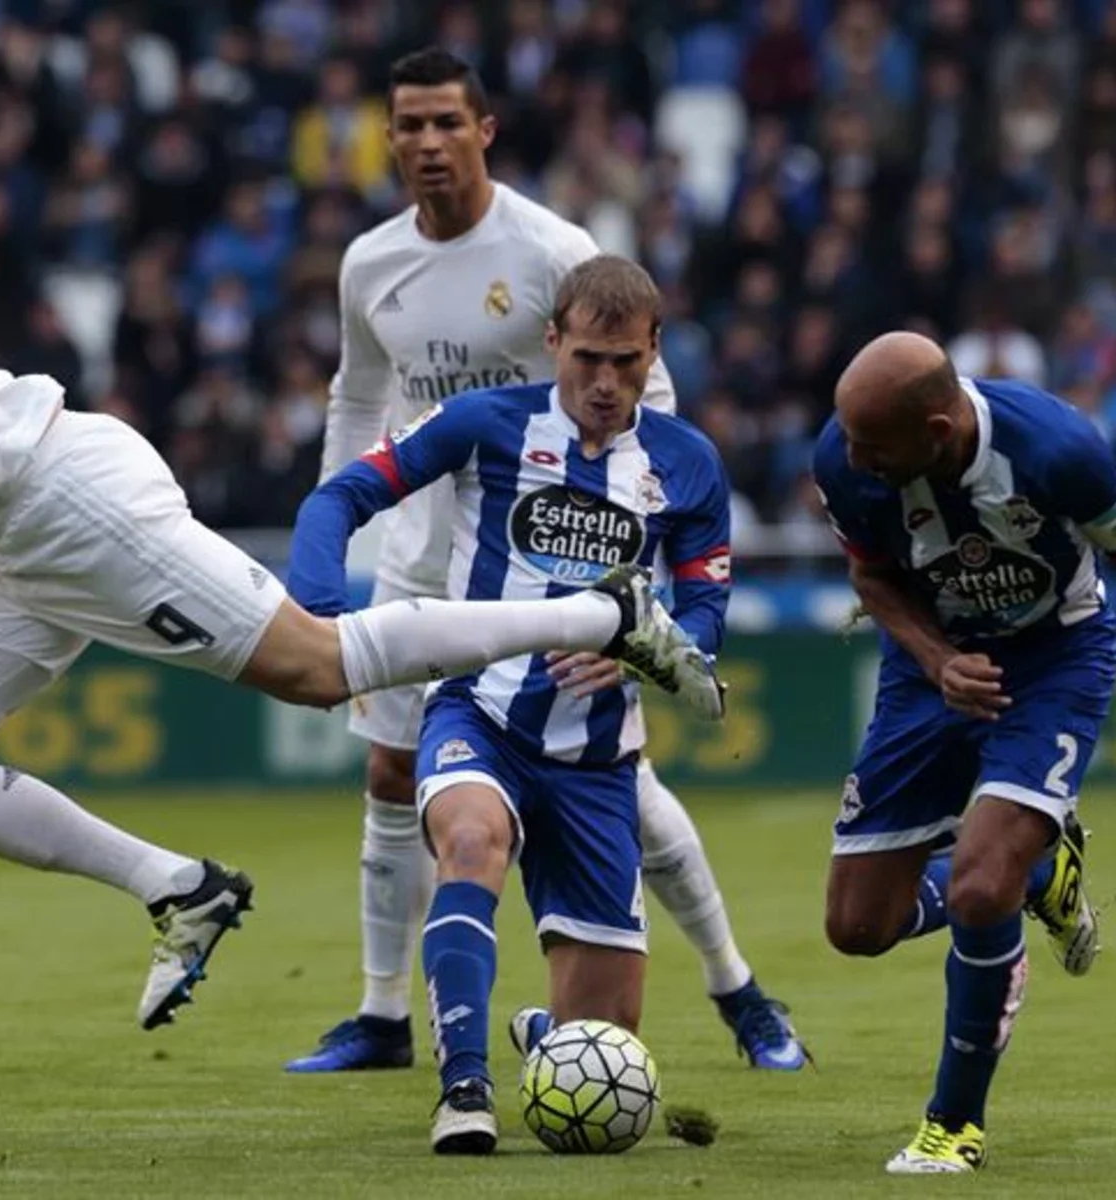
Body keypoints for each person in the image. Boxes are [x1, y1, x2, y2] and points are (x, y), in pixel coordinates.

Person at [0, 304, 722, 1033]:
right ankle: (180, 887)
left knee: (313, 669)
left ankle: (594, 612)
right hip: (14, 524)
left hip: (62, 497)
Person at [288, 46, 806, 1076]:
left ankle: (735, 985)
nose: (428, 142)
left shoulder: (548, 249)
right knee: (393, 773)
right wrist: (342, 525)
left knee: (627, 785)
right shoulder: (369, 263)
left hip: (551, 563)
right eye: (410, 124)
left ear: (483, 130)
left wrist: (626, 571)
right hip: (420, 563)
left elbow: (640, 401)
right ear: (386, 138)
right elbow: (357, 398)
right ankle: (384, 1014)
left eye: (447, 121)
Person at [289, 255, 732, 1153]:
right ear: (552, 342)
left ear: (655, 352)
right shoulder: (487, 422)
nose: (605, 384)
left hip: (599, 762)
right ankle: (463, 1089)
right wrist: (320, 607)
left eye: (626, 363)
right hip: (479, 717)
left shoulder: (688, 464)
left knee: (604, 1058)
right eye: (587, 360)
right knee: (469, 842)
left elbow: (706, 608)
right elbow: (342, 495)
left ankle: (537, 1031)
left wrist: (652, 659)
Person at [813, 331, 1104, 1174]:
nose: (851, 457)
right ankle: (1043, 875)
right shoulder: (844, 457)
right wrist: (938, 661)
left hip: (1054, 662)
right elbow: (872, 578)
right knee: (856, 927)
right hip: (930, 665)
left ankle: (954, 1126)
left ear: (938, 433)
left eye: (873, 446)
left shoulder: (1062, 452)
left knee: (979, 887)